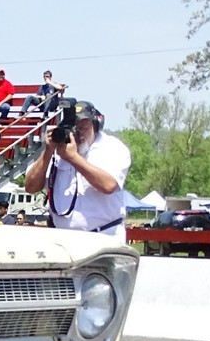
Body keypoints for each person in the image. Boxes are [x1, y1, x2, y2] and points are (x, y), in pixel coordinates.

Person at [24, 100, 131, 239]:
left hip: (103, 236)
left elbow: (108, 185)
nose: (78, 133)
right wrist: (48, 150)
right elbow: (30, 187)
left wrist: (74, 158)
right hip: (63, 239)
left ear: (96, 125)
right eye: (74, 128)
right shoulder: (60, 150)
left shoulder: (112, 147)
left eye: (84, 127)